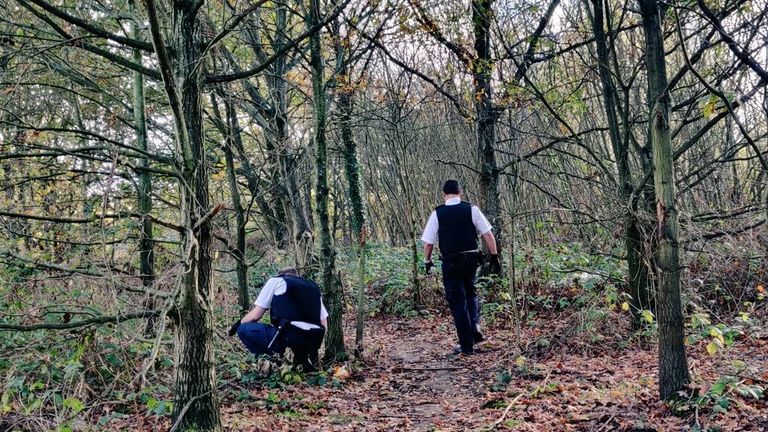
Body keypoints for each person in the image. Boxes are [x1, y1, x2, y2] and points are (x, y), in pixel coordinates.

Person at [421, 180, 501, 355]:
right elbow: (487, 233)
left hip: (450, 262)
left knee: (458, 302)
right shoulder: (471, 209)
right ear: (460, 193)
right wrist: (494, 256)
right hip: (470, 259)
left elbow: (428, 243)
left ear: (444, 194)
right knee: (471, 292)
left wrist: (427, 262)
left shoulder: (438, 213)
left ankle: (466, 346)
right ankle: (474, 326)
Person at [228, 267, 327, 370]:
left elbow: (255, 315)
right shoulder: (312, 287)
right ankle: (301, 360)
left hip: (288, 337)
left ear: (281, 275)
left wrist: (236, 325)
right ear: (297, 276)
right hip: (313, 341)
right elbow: (324, 324)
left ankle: (269, 362)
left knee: (244, 329)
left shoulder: (276, 281)